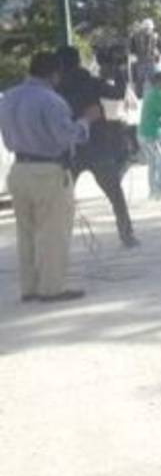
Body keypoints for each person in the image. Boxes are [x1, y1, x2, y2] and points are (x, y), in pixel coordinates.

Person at [0, 52, 101, 302]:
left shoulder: (8, 98)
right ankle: (51, 288)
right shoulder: (51, 101)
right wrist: (87, 121)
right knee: (53, 232)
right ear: (55, 74)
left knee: (26, 234)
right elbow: (66, 136)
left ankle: (29, 288)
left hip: (19, 169)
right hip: (48, 171)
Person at [55, 45, 139, 248]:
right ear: (77, 61)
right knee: (115, 194)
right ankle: (127, 235)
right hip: (97, 145)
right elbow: (119, 93)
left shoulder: (55, 88)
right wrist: (116, 69)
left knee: (59, 200)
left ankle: (56, 242)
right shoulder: (91, 82)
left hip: (69, 147)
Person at [138, 71, 161, 200]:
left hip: (143, 132)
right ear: (159, 82)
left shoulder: (151, 93)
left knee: (153, 163)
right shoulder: (159, 95)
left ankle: (153, 191)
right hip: (154, 133)